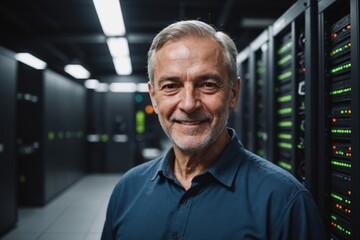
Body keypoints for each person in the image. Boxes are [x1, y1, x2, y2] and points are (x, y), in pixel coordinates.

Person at [101, 20, 325, 240]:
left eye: (207, 84)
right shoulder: (127, 189)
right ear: (154, 97)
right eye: (170, 86)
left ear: (233, 93)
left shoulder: (284, 202)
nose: (189, 104)